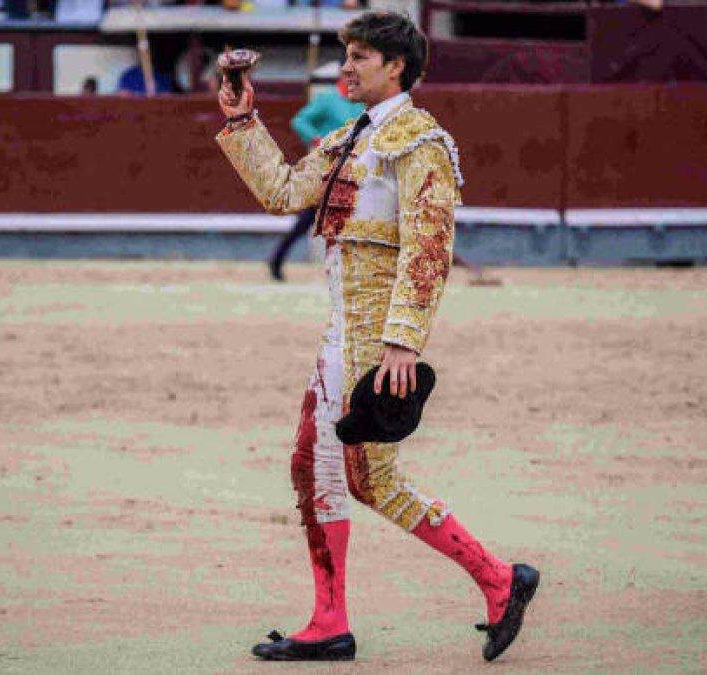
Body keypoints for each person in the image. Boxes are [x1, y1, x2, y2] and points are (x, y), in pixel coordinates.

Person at [216, 10, 539, 663]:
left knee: (368, 475)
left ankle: (498, 579)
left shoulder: (420, 142)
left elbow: (429, 248)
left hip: (375, 339)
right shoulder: (348, 139)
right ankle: (332, 618)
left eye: (361, 56)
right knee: (316, 467)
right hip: (341, 335)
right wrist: (243, 121)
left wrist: (403, 340)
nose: (346, 65)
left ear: (397, 66)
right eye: (348, 54)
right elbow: (282, 191)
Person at [268, 62, 365, 282]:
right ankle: (278, 259)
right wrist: (316, 138)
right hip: (327, 171)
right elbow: (300, 120)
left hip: (352, 171)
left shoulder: (362, 103)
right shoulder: (327, 99)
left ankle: (278, 260)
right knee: (314, 219)